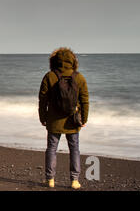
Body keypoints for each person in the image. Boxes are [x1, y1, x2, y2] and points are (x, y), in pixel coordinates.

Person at [38, 47, 89, 189]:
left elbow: (42, 99)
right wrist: (84, 119)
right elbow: (84, 100)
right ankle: (74, 180)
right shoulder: (79, 77)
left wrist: (42, 117)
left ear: (54, 61)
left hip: (54, 120)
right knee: (74, 149)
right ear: (73, 61)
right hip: (72, 121)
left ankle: (50, 180)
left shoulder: (49, 76)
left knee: (51, 149)